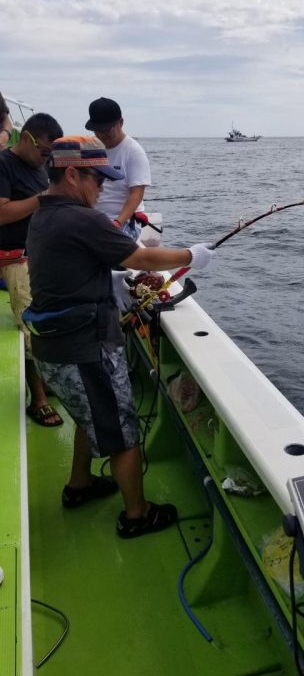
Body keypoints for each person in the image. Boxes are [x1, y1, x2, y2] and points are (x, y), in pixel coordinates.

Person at [25, 135, 215, 538]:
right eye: (98, 179)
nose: (105, 187)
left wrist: (105, 281)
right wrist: (190, 257)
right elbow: (140, 257)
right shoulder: (81, 218)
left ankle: (80, 485)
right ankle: (137, 515)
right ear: (73, 174)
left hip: (53, 349)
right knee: (122, 433)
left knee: (87, 415)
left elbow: (72, 267)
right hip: (83, 349)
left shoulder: (44, 214)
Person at [0, 112, 64, 426]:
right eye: (44, 152)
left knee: (49, 321)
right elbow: (2, 214)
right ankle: (37, 400)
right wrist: (43, 198)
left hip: (39, 256)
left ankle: (46, 381)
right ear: (26, 138)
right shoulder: (3, 165)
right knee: (30, 329)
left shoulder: (39, 168)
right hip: (13, 259)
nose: (46, 159)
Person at [85, 97, 151, 239]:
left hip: (125, 221)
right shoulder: (91, 148)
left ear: (121, 123)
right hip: (95, 219)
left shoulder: (134, 151)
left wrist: (117, 223)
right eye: (98, 130)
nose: (102, 134)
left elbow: (137, 194)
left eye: (107, 129)